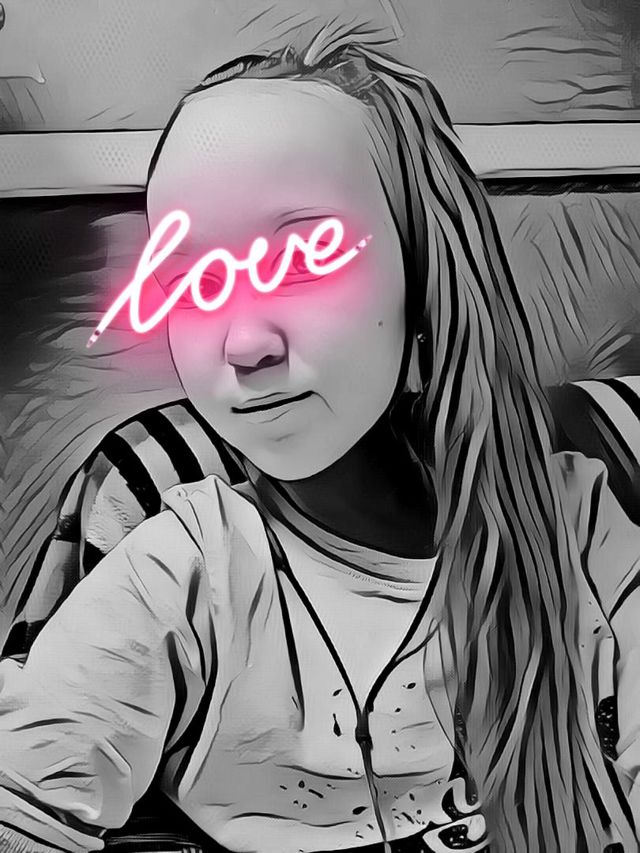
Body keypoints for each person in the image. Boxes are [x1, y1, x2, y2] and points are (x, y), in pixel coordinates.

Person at [1, 25, 639, 853]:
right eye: (192, 279)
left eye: (303, 256)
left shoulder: (578, 530)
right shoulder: (186, 575)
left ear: (422, 273)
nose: (244, 342)